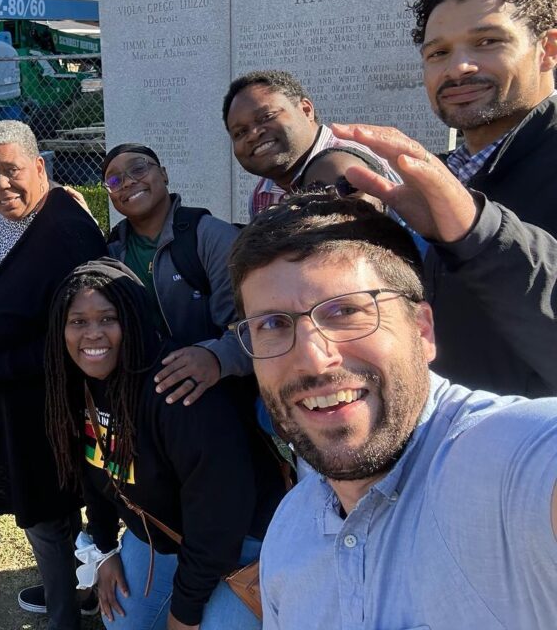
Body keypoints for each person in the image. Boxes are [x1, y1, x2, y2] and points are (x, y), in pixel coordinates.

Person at [227, 192, 557, 628]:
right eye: (271, 324)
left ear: (422, 330)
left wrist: (484, 235)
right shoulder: (289, 531)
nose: (311, 357)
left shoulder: (507, 461)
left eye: (345, 310)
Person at [43, 259, 284, 630]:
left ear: (133, 320)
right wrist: (104, 550)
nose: (92, 334)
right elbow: (97, 472)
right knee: (123, 622)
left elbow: (218, 522)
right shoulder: (77, 386)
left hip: (242, 538)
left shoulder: (175, 390)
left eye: (108, 319)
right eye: (78, 322)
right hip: (164, 533)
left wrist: (183, 615)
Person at [0, 120, 107, 629]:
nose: (0, 185)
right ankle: (70, 587)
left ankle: (66, 614)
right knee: (45, 516)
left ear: (40, 167)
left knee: (46, 516)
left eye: (12, 171)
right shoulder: (7, 216)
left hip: (47, 406)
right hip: (9, 402)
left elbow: (87, 338)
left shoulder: (66, 231)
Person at [408, 0, 557, 395]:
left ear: (548, 49)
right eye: (438, 53)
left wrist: (476, 229)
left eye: (487, 41)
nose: (458, 68)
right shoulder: (440, 175)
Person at [102, 143, 250, 405]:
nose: (127, 182)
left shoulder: (210, 237)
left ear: (164, 174)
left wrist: (216, 357)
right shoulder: (112, 252)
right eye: (114, 180)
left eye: (138, 168)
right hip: (145, 397)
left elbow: (254, 327)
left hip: (217, 393)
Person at [221, 70, 396, 217]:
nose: (253, 134)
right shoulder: (261, 195)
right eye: (240, 132)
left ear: (306, 110)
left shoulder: (346, 165)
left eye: (267, 116)